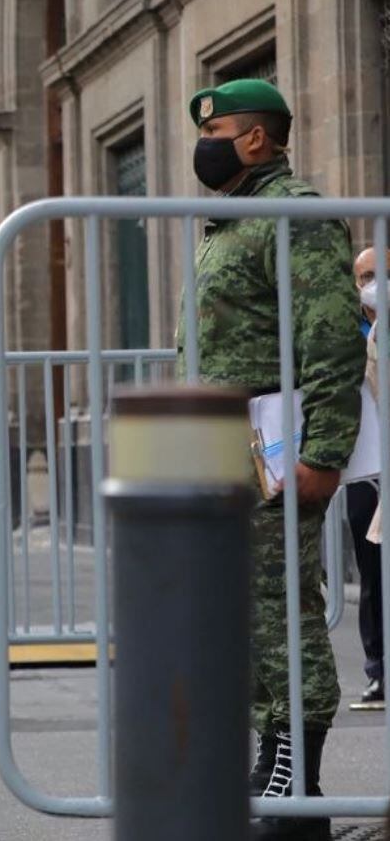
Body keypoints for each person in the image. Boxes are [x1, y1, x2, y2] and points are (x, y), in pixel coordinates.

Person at [179, 78, 364, 840]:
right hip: (227, 441)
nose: (206, 141)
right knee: (246, 613)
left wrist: (322, 452)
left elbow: (328, 338)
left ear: (255, 138)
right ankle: (269, 759)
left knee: (282, 608)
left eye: (216, 127)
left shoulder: (297, 214)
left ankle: (300, 785)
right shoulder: (228, 220)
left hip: (274, 445)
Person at [348, 248, 385, 709]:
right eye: (367, 276)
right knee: (371, 570)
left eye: (383, 275)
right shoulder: (345, 330)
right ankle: (378, 669)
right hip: (365, 465)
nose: (374, 284)